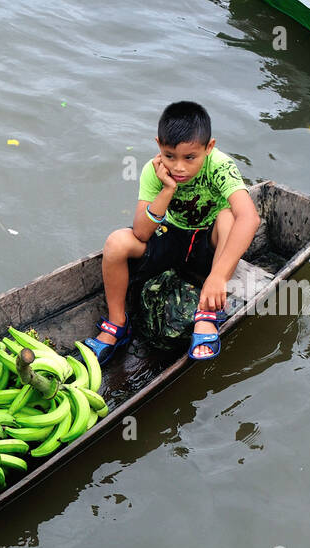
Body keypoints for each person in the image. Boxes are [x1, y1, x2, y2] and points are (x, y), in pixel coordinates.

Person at [84, 101, 261, 363]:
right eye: (170, 156)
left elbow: (250, 217)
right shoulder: (154, 172)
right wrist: (167, 189)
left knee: (228, 217)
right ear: (159, 145)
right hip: (172, 238)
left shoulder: (220, 166)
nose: (179, 167)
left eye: (190, 158)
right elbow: (142, 233)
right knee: (116, 242)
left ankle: (206, 312)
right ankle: (117, 324)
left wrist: (219, 277)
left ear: (209, 147)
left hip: (209, 248)